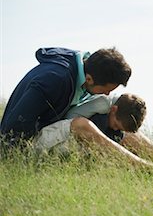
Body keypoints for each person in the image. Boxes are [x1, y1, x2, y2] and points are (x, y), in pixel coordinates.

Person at [0, 47, 131, 147]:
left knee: (121, 120)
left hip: (51, 131)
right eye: (105, 90)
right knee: (82, 125)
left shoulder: (86, 73)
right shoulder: (54, 79)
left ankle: (151, 163)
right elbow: (17, 122)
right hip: (24, 144)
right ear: (89, 79)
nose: (107, 94)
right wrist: (17, 154)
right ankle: (143, 166)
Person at [34, 93, 153, 170]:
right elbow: (73, 120)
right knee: (90, 126)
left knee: (127, 135)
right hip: (63, 134)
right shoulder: (101, 104)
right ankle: (146, 167)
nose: (115, 128)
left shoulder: (112, 110)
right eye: (116, 124)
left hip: (82, 138)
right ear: (113, 110)